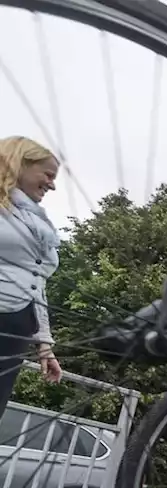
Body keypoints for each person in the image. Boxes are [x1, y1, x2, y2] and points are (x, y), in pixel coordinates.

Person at [0, 136, 63, 419]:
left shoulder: (35, 221)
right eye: (48, 174)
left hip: (17, 328)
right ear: (20, 164)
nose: (52, 184)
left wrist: (44, 344)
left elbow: (36, 282)